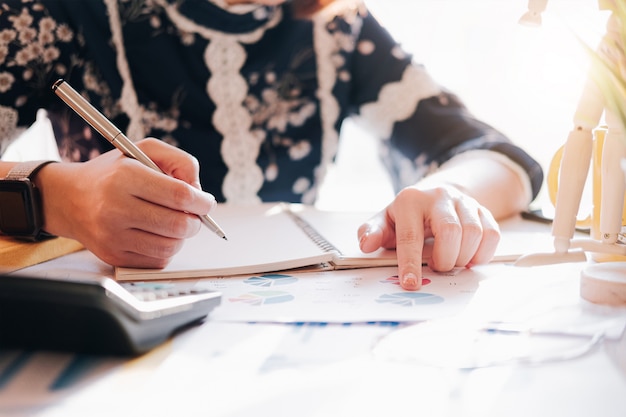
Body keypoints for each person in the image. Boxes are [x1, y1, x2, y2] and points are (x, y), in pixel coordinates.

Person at [0, 0, 543, 290]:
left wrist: (447, 193)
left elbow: (492, 153)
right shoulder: (63, 11)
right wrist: (56, 196)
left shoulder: (341, 27)